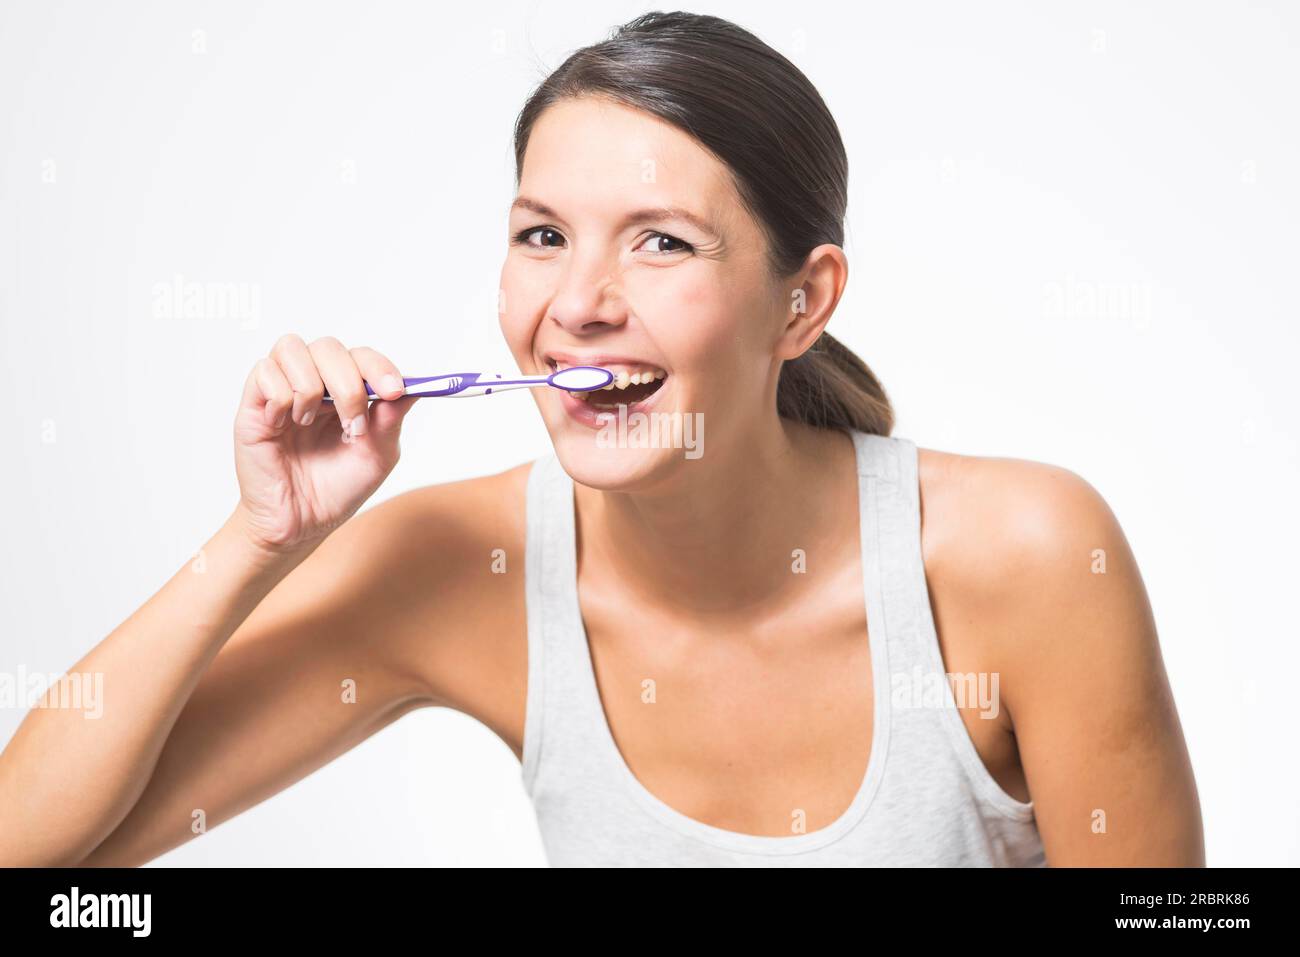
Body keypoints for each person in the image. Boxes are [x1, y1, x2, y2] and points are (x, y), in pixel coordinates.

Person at [0, 11, 1203, 867]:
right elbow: (36, 850)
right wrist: (258, 541)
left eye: (660, 242)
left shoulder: (1025, 556)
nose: (577, 303)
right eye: (542, 236)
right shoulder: (454, 567)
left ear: (803, 303)